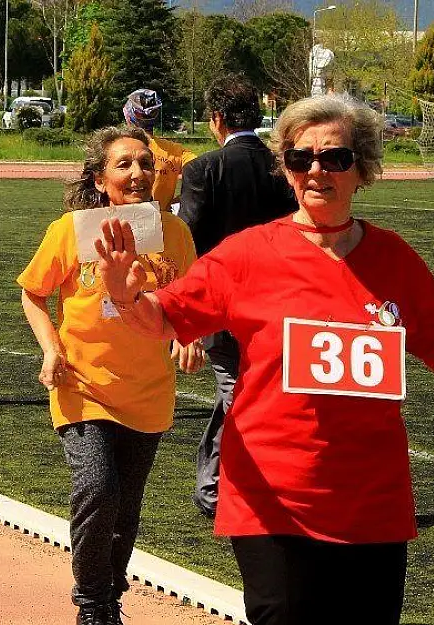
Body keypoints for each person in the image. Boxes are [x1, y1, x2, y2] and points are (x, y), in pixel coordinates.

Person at [95, 94, 434, 625]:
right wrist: (123, 295)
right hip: (271, 498)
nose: (317, 170)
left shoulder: (393, 258)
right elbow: (160, 319)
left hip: (373, 503)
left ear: (361, 169)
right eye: (301, 159)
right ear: (287, 170)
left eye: (335, 158)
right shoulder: (247, 253)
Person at [18, 126, 201, 625]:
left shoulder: (176, 235)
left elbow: (187, 303)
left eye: (146, 163)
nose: (138, 173)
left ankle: (108, 596)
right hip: (83, 384)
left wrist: (187, 335)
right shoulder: (72, 231)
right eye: (124, 164)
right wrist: (51, 349)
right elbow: (33, 294)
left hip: (149, 393)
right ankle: (93, 604)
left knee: (125, 508)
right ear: (101, 180)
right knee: (99, 489)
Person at [179, 75, 298, 518]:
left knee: (238, 397)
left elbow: (187, 243)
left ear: (216, 119)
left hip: (222, 306)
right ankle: (212, 487)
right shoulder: (284, 168)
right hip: (279, 305)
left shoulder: (203, 169)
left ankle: (221, 491)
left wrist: (185, 317)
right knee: (243, 394)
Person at [122, 89, 195, 212]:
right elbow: (203, 173)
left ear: (129, 116)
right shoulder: (175, 151)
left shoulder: (116, 148)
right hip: (161, 221)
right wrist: (175, 201)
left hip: (123, 220)